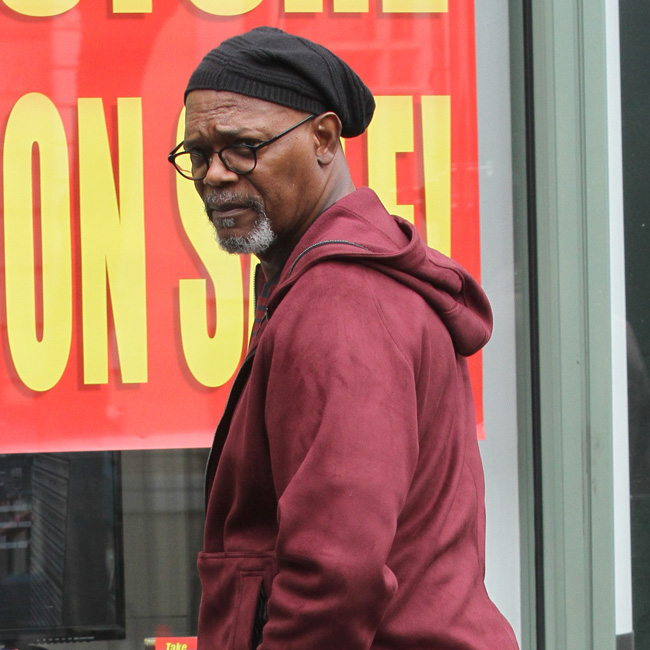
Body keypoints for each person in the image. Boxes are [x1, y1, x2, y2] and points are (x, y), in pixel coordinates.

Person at [169, 25, 519, 650]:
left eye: (242, 148)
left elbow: (335, 578)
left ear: (325, 138)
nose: (214, 175)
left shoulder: (341, 304)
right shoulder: (334, 288)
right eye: (197, 154)